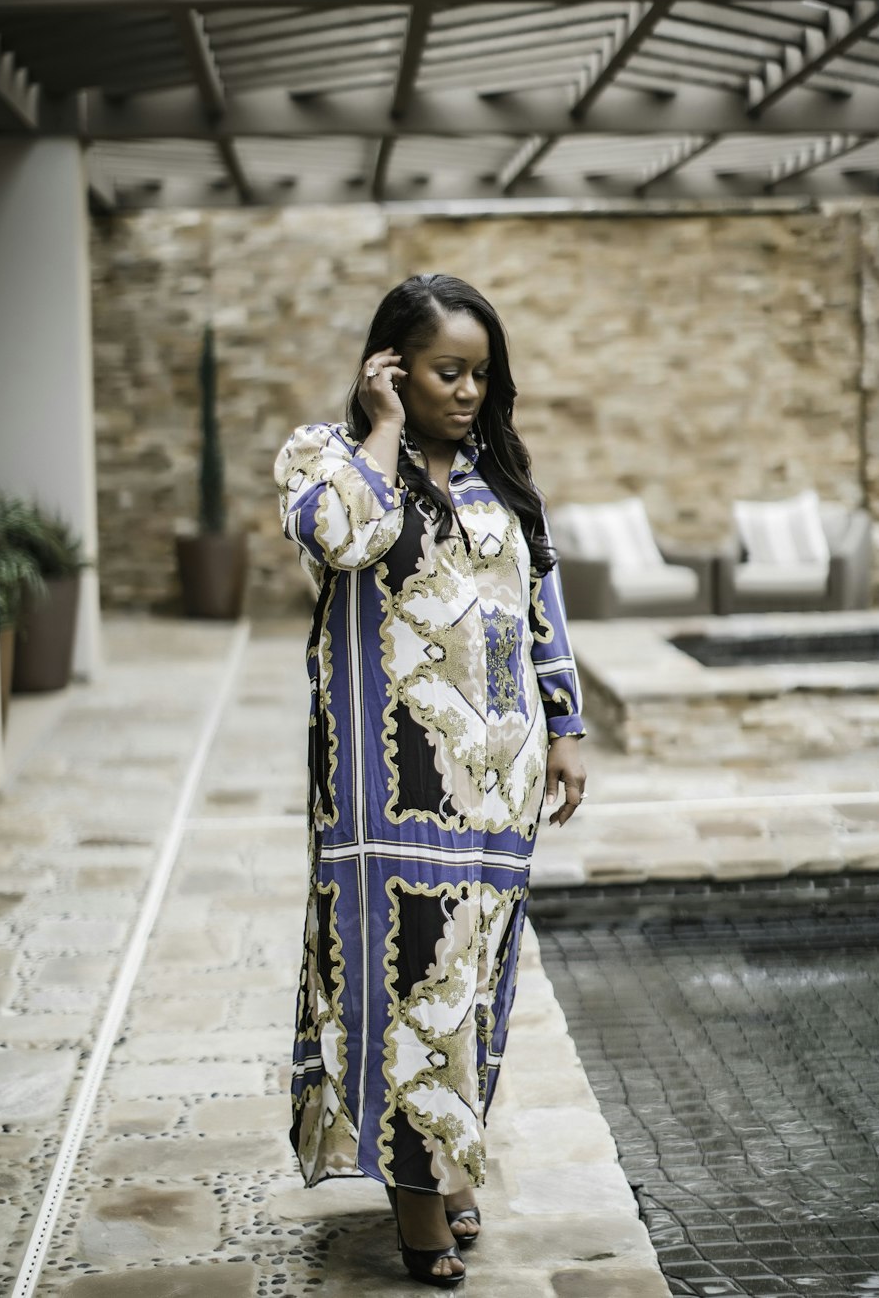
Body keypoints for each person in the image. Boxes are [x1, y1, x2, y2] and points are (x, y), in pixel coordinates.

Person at [273, 273, 587, 1287]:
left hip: (496, 790)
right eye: (445, 371)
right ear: (391, 366)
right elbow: (339, 536)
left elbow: (541, 601)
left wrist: (567, 727)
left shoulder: (499, 472)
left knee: (468, 985)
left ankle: (446, 1161)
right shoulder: (329, 458)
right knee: (402, 986)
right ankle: (417, 1201)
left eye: (478, 374)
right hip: (384, 789)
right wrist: (378, 428)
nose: (466, 392)